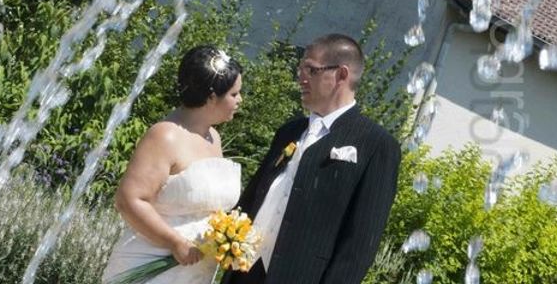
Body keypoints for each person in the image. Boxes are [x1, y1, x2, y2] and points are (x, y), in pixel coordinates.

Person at [222, 34, 401, 284]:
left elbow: (359, 244)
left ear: (341, 75)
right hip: (244, 273)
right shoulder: (289, 131)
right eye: (301, 68)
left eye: (311, 69)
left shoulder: (377, 145)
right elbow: (254, 197)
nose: (301, 77)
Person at [102, 45, 243, 284]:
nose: (240, 100)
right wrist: (174, 242)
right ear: (211, 97)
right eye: (234, 94)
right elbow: (129, 200)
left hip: (195, 271)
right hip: (152, 264)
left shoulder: (214, 137)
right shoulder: (165, 135)